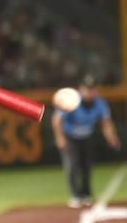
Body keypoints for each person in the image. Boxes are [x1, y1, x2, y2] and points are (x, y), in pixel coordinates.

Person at [52, 75, 121, 207]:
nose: (90, 92)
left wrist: (111, 137)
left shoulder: (100, 103)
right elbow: (57, 120)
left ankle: (86, 194)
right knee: (72, 166)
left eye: (93, 89)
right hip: (70, 137)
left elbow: (106, 123)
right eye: (87, 89)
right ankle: (75, 195)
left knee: (86, 167)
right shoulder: (72, 100)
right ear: (81, 89)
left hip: (86, 137)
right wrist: (60, 138)